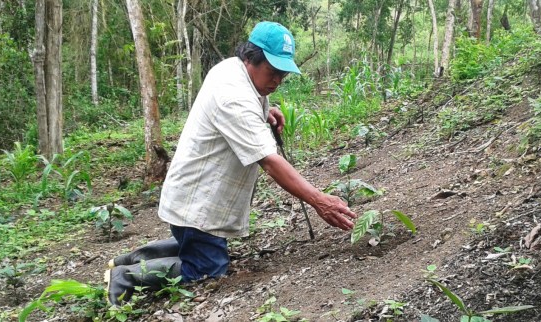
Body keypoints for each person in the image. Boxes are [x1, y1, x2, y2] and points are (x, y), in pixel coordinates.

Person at [105, 21, 358, 305]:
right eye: (272, 72)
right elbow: (270, 161)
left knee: (203, 249)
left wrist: (265, 111)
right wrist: (318, 199)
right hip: (199, 204)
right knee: (207, 270)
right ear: (250, 58)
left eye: (282, 75)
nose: (276, 81)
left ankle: (134, 258)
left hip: (195, 195)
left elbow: (247, 104)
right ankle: (127, 276)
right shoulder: (234, 96)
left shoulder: (231, 69)